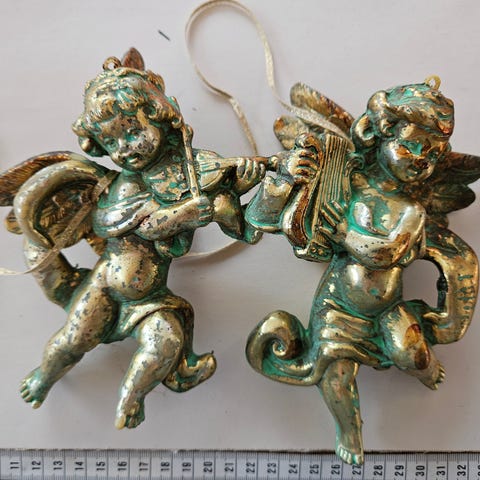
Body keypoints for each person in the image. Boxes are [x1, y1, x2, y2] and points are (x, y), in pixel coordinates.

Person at [16, 57, 267, 429]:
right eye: (111, 141)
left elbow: (241, 223)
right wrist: (184, 214)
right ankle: (44, 375)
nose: (125, 148)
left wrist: (244, 184)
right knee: (72, 342)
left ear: (161, 118)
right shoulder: (127, 184)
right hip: (103, 290)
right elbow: (141, 225)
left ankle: (132, 396)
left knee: (166, 342)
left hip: (150, 298)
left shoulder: (194, 167)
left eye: (133, 132)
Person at [246, 82, 478, 464]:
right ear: (379, 134)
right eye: (410, 145)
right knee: (334, 377)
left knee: (412, 355)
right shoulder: (344, 182)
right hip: (337, 305)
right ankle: (349, 431)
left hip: (387, 309)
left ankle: (428, 369)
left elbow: (387, 253)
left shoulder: (412, 211)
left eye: (432, 154)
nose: (420, 159)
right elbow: (259, 221)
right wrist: (285, 181)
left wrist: (342, 233)